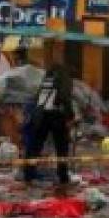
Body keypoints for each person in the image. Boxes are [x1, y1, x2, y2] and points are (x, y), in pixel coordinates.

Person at [23, 47, 73, 186]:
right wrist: (70, 116)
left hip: (41, 116)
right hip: (56, 116)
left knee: (35, 146)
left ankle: (28, 174)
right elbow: (64, 98)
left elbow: (38, 97)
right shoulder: (63, 78)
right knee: (61, 148)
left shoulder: (46, 79)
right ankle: (63, 177)